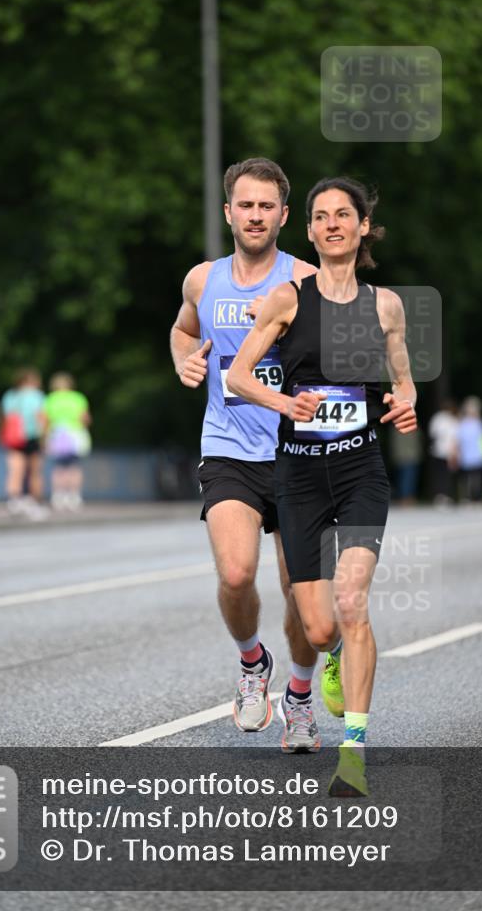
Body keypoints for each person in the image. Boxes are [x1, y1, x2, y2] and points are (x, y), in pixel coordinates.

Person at [227, 176, 417, 796]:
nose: (333, 223)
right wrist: (287, 403)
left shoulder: (385, 305)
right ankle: (329, 659)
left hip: (361, 472)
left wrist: (405, 402)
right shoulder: (286, 298)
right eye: (320, 216)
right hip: (300, 478)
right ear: (307, 231)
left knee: (353, 602)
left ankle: (353, 755)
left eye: (344, 215)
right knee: (316, 627)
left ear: (363, 228)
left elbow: (404, 375)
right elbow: (237, 376)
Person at [171, 157, 322, 753]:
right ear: (228, 211)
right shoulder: (202, 280)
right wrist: (184, 358)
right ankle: (252, 662)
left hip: (298, 453)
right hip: (228, 445)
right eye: (246, 204)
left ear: (283, 216)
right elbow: (184, 329)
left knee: (300, 592)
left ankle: (302, 698)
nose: (255, 215)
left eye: (267, 206)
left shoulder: (307, 281)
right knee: (236, 573)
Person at [1, 368, 48, 520]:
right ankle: (35, 501)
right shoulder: (37, 396)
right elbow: (41, 417)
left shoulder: (10, 396)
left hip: (15, 437)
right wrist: (45, 438)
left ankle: (14, 499)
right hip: (32, 435)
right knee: (35, 471)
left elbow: (6, 416)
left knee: (15, 469)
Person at [43, 372, 92, 511]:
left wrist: (45, 437)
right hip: (75, 435)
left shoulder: (50, 399)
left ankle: (58, 496)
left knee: (59, 468)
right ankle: (74, 496)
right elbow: (85, 419)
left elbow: (46, 420)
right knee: (74, 467)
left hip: (57, 435)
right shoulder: (78, 398)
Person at [456, 396, 482, 503]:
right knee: (467, 478)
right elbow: (458, 439)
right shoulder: (463, 423)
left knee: (478, 478)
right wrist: (457, 452)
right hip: (466, 456)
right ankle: (467, 497)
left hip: (478, 456)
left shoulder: (480, 423)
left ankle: (477, 497)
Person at [427, 400, 458, 505]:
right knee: (446, 475)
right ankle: (444, 495)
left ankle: (439, 495)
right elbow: (455, 438)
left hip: (437, 451)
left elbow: (432, 433)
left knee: (438, 475)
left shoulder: (437, 418)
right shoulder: (452, 420)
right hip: (448, 452)